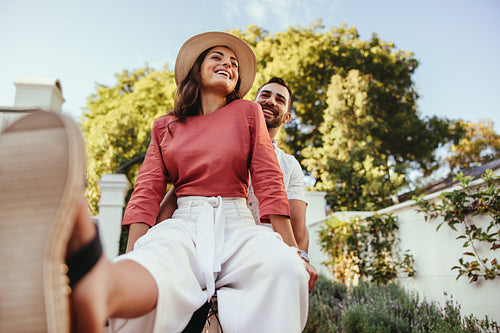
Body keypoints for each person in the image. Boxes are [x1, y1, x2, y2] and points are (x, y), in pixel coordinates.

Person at [0, 32, 310, 333]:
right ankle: (96, 289)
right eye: (218, 57)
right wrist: (135, 251)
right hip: (185, 221)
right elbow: (146, 191)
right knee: (156, 267)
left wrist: (293, 250)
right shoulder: (165, 127)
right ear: (197, 70)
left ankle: (84, 248)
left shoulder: (247, 111)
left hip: (238, 222)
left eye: (234, 63)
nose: (228, 64)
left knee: (285, 270)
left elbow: (268, 177)